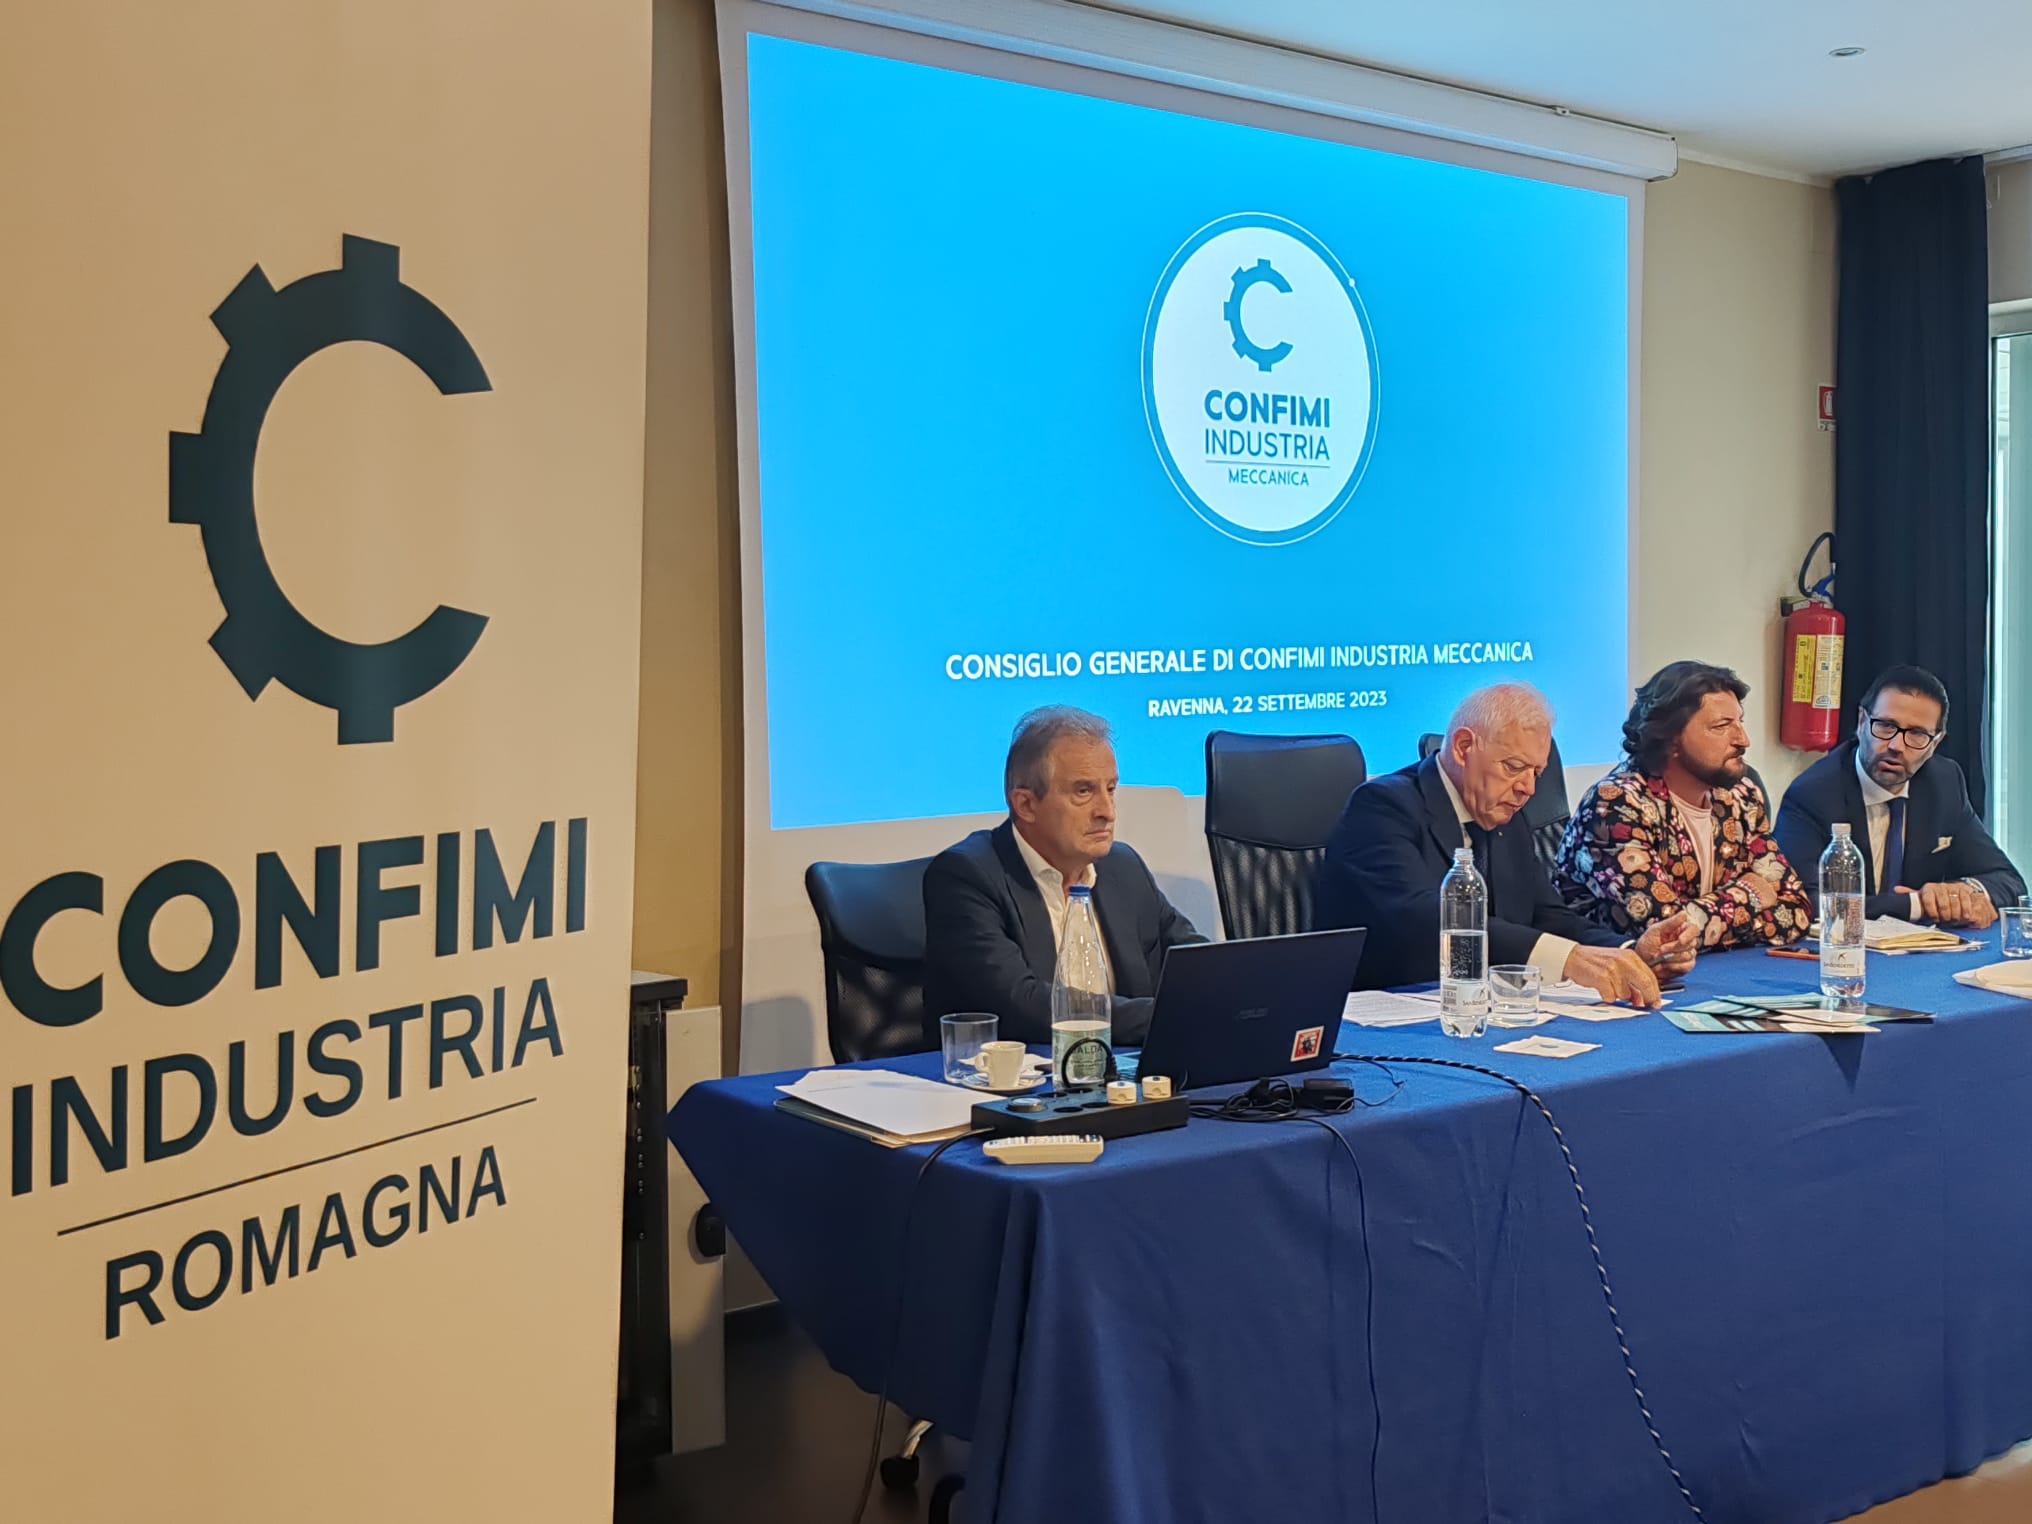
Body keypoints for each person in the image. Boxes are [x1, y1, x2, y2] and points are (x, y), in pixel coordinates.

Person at [1315, 683, 1690, 1002]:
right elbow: (1423, 918)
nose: (1528, 789)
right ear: (1463, 747)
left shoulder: (1506, 818)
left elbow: (1547, 915)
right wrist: (1569, 960)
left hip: (1484, 1008)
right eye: (1514, 767)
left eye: (1537, 772)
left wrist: (1629, 951)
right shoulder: (1383, 807)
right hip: (1390, 1018)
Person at [922, 706, 1205, 1047]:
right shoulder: (966, 877)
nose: (1107, 811)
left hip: (1118, 1068)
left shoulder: (1123, 868)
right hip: (1013, 1074)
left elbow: (1193, 961)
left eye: (1111, 789)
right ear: (1026, 805)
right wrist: (1168, 1017)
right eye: (1083, 792)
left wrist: (1234, 990)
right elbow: (1022, 1005)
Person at [1558, 661, 1810, 948]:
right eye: (1722, 726)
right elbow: (1664, 934)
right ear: (1671, 739)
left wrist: (1705, 920)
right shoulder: (1616, 806)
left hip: (1717, 968)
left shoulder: (1741, 796)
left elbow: (1798, 910)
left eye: (1740, 722)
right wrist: (1750, 893)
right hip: (1613, 970)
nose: (1743, 740)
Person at [1773, 664, 2022, 927]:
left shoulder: (1945, 783)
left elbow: (2009, 881)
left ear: (1935, 743)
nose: (1896, 745)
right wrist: (1919, 904)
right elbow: (1804, 904)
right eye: (1885, 726)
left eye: (1917, 734)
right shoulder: (1812, 795)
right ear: (1861, 722)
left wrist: (1965, 892)